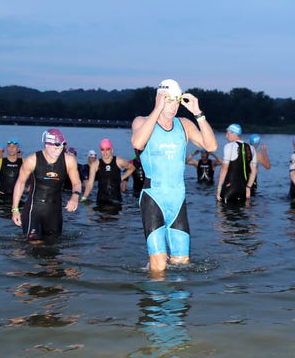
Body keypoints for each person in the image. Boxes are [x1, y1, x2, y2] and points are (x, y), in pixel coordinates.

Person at [131, 78, 217, 272]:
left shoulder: (184, 124)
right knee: (159, 266)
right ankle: (154, 299)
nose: (174, 106)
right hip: (154, 199)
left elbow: (211, 146)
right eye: (169, 100)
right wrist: (157, 109)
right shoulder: (142, 121)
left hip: (177, 201)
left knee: (181, 264)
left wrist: (198, 113)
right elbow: (137, 143)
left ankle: (177, 302)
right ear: (159, 99)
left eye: (177, 101)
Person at [10, 129, 82, 242]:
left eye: (61, 147)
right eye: (55, 147)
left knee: (52, 251)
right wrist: (15, 209)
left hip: (54, 211)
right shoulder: (32, 160)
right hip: (34, 209)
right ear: (47, 145)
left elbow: (77, 183)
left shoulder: (69, 160)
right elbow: (20, 183)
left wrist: (75, 196)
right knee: (35, 245)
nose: (59, 151)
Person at [81, 138, 135, 208]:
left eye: (107, 149)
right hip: (101, 200)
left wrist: (121, 178)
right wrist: (84, 197)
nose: (105, 152)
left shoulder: (119, 161)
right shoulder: (95, 165)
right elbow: (90, 184)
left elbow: (132, 168)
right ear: (100, 151)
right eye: (102, 150)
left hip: (116, 200)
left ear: (112, 150)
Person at [216, 123, 258, 204]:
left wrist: (218, 189)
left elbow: (224, 169)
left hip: (230, 188)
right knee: (241, 215)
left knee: (222, 214)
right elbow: (254, 171)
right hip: (243, 190)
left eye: (228, 133)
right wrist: (248, 187)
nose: (226, 136)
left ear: (234, 133)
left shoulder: (229, 146)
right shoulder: (251, 148)